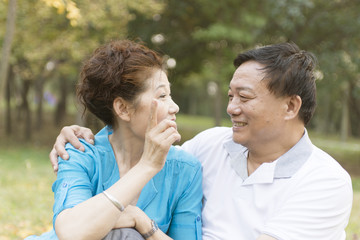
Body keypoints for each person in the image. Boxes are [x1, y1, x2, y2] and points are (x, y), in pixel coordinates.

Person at [50, 42, 353, 240]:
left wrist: (146, 225)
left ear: (290, 107)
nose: (231, 108)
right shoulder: (211, 146)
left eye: (244, 97)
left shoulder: (325, 181)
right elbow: (147, 156)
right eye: (230, 96)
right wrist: (76, 133)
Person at [26, 40, 202, 240]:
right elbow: (71, 233)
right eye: (162, 96)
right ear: (123, 109)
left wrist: (142, 222)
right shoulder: (79, 152)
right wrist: (146, 166)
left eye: (170, 95)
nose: (174, 107)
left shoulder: (185, 170)